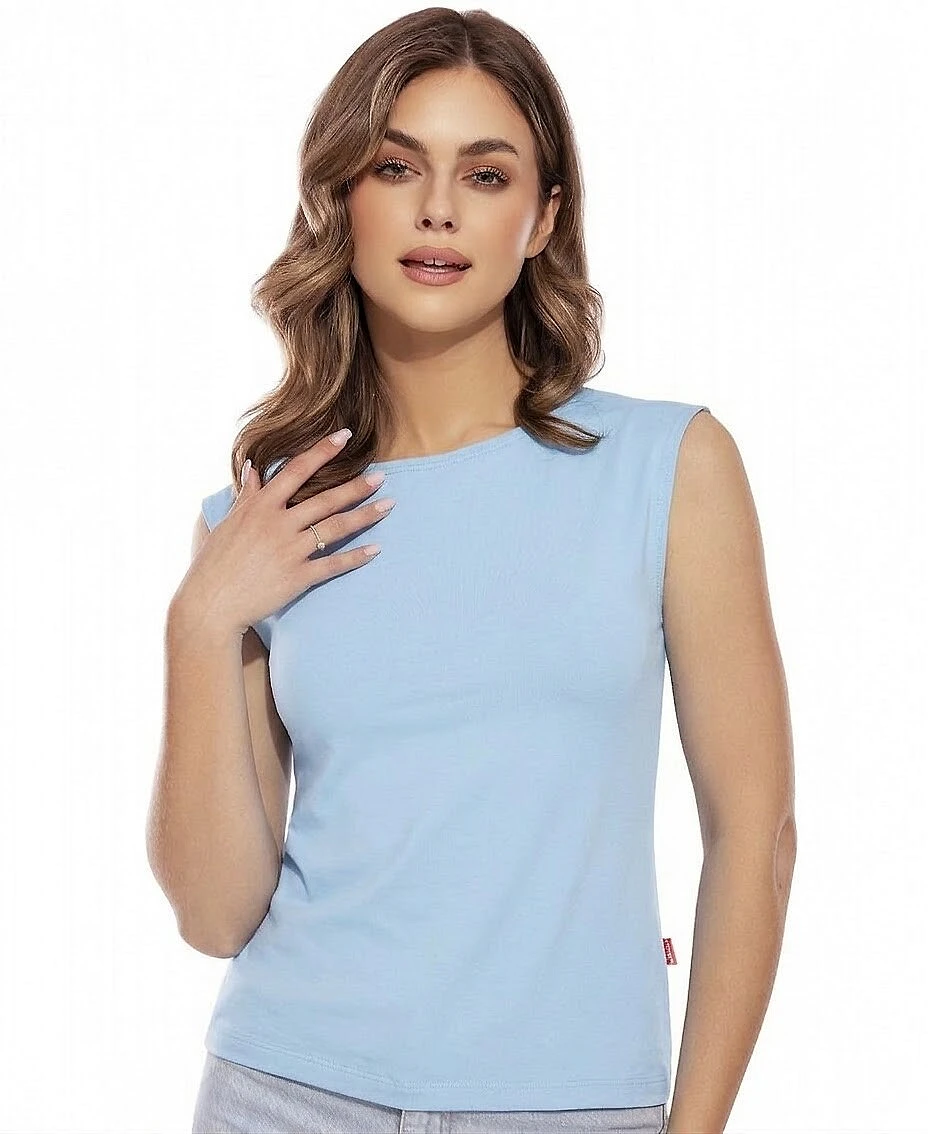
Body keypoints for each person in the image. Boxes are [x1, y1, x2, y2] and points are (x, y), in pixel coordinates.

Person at [146, 8, 797, 1133]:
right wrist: (197, 624)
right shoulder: (259, 520)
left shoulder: (667, 467)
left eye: (485, 175)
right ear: (341, 198)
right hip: (285, 1093)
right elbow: (214, 915)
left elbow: (755, 837)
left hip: (568, 1103)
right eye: (396, 167)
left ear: (543, 217)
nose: (438, 208)